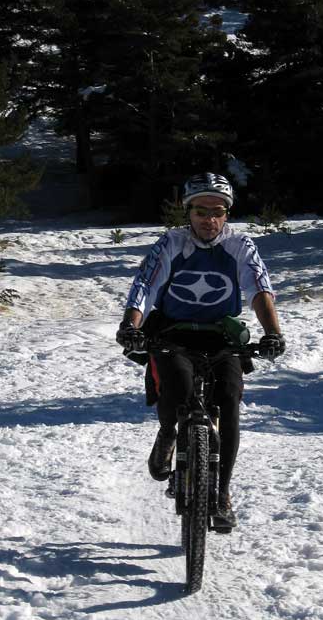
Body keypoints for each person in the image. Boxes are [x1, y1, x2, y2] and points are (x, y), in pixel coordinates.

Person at [116, 172, 285, 528]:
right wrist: (131, 325)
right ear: (187, 212)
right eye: (201, 211)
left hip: (220, 335)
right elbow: (146, 285)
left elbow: (259, 288)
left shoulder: (240, 245)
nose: (210, 219)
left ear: (227, 214)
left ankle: (221, 494)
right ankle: (167, 434)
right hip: (174, 333)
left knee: (228, 397)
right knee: (176, 386)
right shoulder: (171, 243)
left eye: (218, 211)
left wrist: (272, 332)